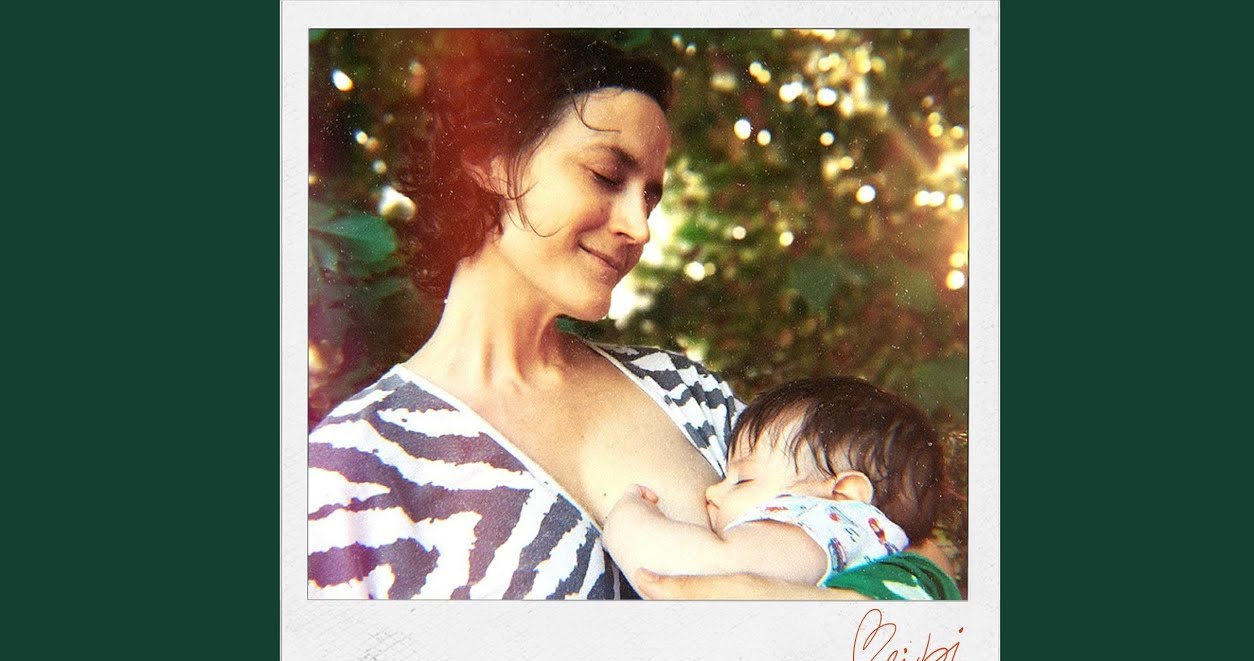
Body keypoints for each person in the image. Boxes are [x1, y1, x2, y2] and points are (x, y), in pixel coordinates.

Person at [306, 29, 958, 600]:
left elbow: (897, 549)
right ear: (489, 160)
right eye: (605, 175)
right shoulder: (353, 465)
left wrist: (849, 612)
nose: (640, 227)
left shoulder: (684, 390)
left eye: (650, 196)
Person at [603, 377, 962, 600]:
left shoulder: (821, 524)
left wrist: (627, 515)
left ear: (844, 495)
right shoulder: (876, 550)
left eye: (743, 480)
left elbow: (699, 573)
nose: (712, 493)